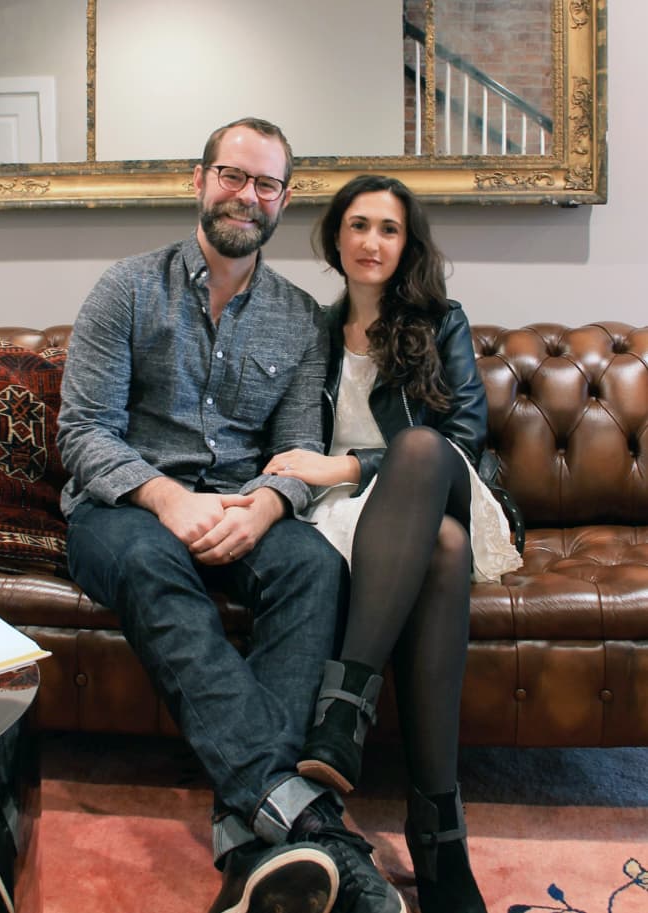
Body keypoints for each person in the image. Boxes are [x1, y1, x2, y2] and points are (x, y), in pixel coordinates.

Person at [56, 120, 406, 913]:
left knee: (314, 563)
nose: (247, 195)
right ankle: (314, 824)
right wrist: (165, 497)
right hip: (125, 512)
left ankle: (249, 840)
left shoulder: (298, 316)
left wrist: (270, 505)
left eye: (266, 183)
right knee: (152, 561)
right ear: (199, 180)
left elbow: (296, 447)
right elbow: (83, 433)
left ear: (285, 199)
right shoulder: (125, 288)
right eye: (232, 175)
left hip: (243, 506)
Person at [264, 174, 523, 913]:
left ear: (407, 245)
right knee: (440, 549)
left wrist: (349, 463)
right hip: (351, 517)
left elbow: (461, 441)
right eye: (358, 225)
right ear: (334, 237)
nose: (371, 241)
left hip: (438, 485)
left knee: (415, 449)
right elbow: (287, 440)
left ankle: (343, 709)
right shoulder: (310, 328)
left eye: (388, 228)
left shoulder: (439, 320)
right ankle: (437, 826)